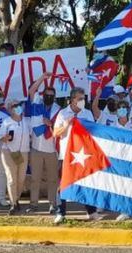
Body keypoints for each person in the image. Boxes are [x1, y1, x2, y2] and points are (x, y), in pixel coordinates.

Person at [53, 87, 101, 224]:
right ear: (72, 100)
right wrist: (67, 125)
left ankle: (91, 212)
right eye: (79, 99)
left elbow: (93, 132)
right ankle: (60, 213)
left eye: (83, 98)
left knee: (85, 183)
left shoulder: (87, 113)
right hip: (66, 155)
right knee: (63, 185)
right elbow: (56, 133)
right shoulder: (63, 113)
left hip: (83, 155)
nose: (82, 101)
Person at [27, 73, 60, 214]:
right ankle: (34, 204)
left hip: (52, 150)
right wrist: (41, 78)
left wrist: (51, 123)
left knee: (53, 179)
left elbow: (61, 128)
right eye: (47, 94)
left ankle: (53, 204)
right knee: (35, 179)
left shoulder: (58, 110)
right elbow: (31, 91)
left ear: (54, 96)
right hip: (36, 148)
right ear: (43, 94)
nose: (49, 97)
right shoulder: (37, 102)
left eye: (51, 95)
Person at [0, 99, 31, 215]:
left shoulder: (27, 121)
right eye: (13, 106)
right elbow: (0, 137)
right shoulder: (7, 122)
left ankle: (16, 199)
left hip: (22, 152)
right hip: (9, 151)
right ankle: (13, 204)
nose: (16, 107)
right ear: (9, 109)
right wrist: (5, 138)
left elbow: (33, 134)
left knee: (21, 178)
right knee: (12, 178)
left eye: (18, 105)